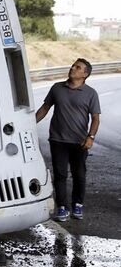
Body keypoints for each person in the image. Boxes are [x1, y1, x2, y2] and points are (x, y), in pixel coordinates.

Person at [35, 58, 101, 222]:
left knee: (79, 174)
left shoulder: (91, 93)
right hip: (57, 139)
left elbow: (95, 118)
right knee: (60, 175)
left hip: (79, 142)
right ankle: (62, 207)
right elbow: (44, 108)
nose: (72, 68)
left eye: (77, 67)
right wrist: (29, 125)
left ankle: (78, 204)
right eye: (73, 65)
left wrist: (90, 137)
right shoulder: (57, 88)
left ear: (85, 74)